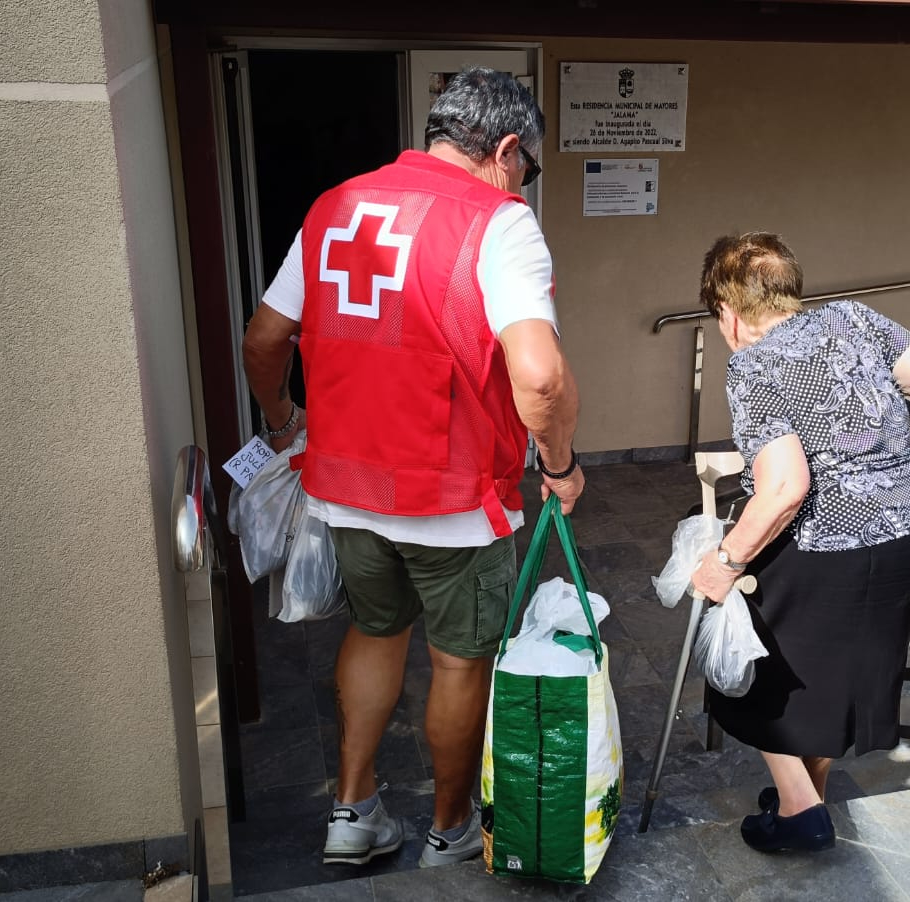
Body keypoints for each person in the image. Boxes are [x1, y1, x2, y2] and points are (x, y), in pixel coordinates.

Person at [241, 67, 585, 869]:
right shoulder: (500, 223)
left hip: (346, 489)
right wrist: (560, 465)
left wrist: (285, 422)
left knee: (375, 630)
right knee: (458, 659)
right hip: (454, 499)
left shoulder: (335, 206)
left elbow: (263, 339)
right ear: (506, 149)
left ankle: (352, 811)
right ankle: (449, 830)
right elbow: (540, 377)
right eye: (528, 169)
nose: (524, 185)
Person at [687, 232, 910, 853]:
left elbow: (784, 489)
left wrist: (725, 562)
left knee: (758, 653)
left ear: (728, 312)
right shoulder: (854, 318)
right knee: (837, 671)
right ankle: (809, 796)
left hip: (829, 535)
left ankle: (800, 813)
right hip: (906, 526)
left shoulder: (752, 366)